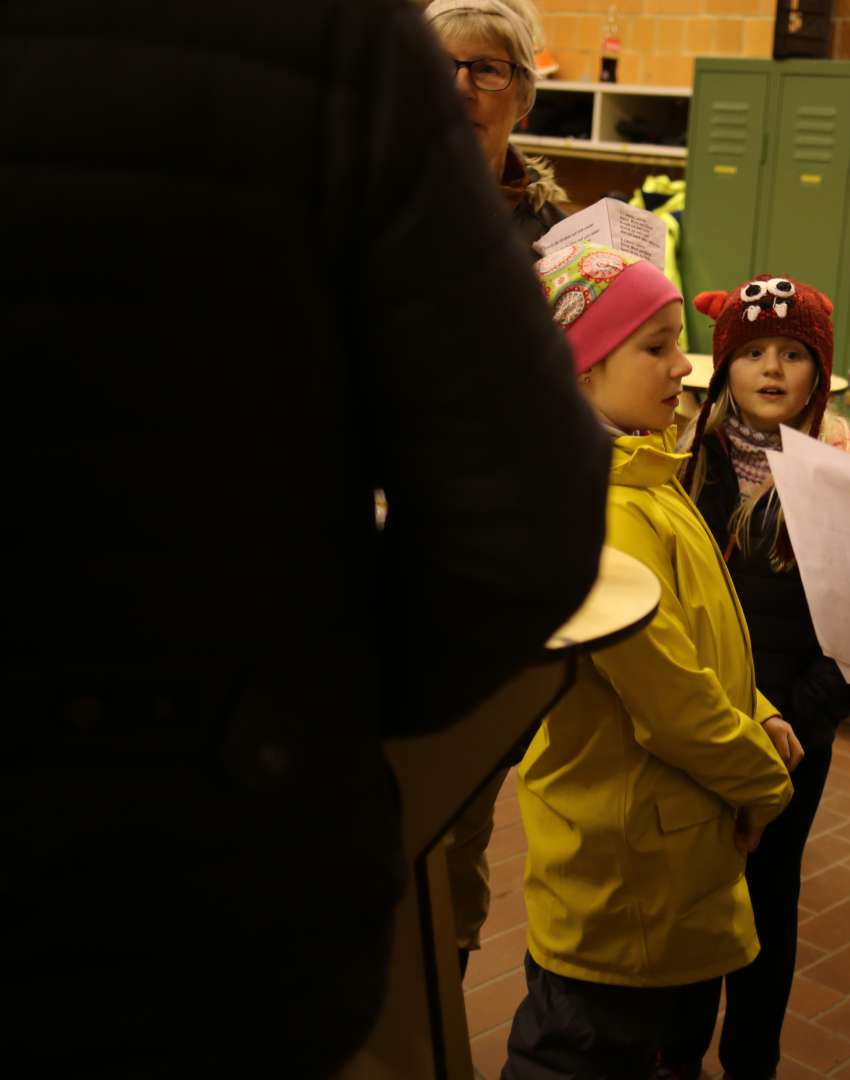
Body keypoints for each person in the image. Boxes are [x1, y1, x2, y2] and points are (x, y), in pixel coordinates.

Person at [0, 0, 609, 1075]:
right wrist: (331, 705)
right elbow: (530, 517)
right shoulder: (334, 43)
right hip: (223, 857)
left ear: (522, 90)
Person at [506, 243, 801, 1080]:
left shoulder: (645, 470)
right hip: (620, 879)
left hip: (660, 861)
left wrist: (762, 706)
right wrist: (764, 779)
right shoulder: (601, 508)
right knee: (577, 1055)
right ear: (585, 364)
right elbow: (671, 702)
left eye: (681, 342)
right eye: (657, 345)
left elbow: (705, 633)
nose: (685, 366)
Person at [679, 274, 850, 1080]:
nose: (770, 367)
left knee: (768, 896)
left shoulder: (842, 474)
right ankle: (676, 1051)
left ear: (818, 375)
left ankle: (752, 1057)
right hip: (702, 722)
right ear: (724, 365)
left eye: (793, 354)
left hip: (796, 731)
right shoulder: (689, 462)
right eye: (752, 351)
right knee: (693, 892)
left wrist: (806, 715)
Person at [425, 0, 572, 976]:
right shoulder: (364, 205)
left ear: (519, 91)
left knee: (455, 811)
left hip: (485, 567)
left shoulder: (565, 241)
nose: (461, 89)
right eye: (440, 68)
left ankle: (442, 990)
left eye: (484, 70)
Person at [426, 0, 568, 253]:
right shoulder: (361, 213)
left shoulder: (558, 244)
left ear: (523, 97)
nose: (460, 89)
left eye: (487, 69)